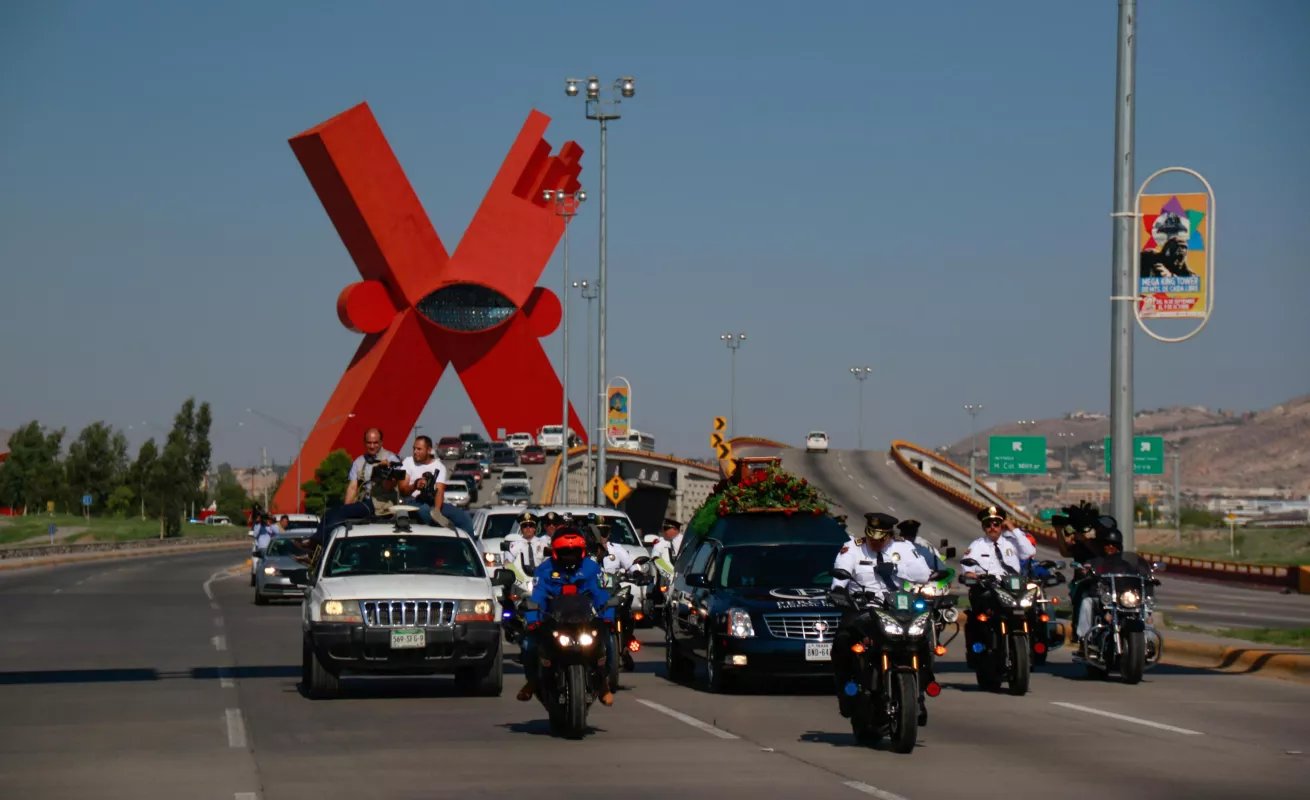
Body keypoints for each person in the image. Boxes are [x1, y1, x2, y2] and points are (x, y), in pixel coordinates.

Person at [830, 512, 934, 719]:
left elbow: (924, 574)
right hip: (864, 607)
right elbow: (840, 574)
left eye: (881, 539)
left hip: (898, 607)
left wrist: (897, 568)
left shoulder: (903, 548)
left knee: (924, 640)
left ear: (889, 535)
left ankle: (921, 691)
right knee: (842, 641)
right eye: (871, 538)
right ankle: (846, 691)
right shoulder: (853, 548)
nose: (875, 543)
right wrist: (839, 591)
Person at [517, 528, 616, 706]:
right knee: (528, 643)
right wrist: (533, 619)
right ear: (555, 551)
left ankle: (603, 683)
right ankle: (532, 680)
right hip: (554, 619)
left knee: (608, 641)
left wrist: (608, 615)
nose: (570, 555)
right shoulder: (544, 569)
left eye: (574, 551)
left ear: (583, 551)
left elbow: (600, 594)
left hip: (585, 620)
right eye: (565, 552)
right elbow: (537, 596)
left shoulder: (592, 568)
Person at [306, 428, 400, 549]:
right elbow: (352, 488)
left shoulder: (391, 459)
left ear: (381, 443)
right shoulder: (359, 462)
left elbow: (390, 486)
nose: (372, 446)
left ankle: (315, 543)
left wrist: (384, 470)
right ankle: (317, 548)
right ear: (364, 443)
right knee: (332, 514)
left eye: (375, 443)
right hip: (365, 502)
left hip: (382, 504)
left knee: (341, 513)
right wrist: (346, 509)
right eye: (369, 443)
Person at [961, 506, 1037, 654]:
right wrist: (971, 576)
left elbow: (1029, 552)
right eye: (988, 525)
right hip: (989, 589)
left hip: (1012, 588)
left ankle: (1032, 646)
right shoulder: (977, 545)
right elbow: (967, 566)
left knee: (1033, 611)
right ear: (983, 527)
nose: (992, 528)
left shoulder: (1012, 542)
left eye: (996, 524)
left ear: (1001, 525)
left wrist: (1013, 528)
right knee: (979, 617)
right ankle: (980, 648)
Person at [1073, 517, 1150, 649]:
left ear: (1119, 547)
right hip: (1103, 597)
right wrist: (1085, 571)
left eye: (1113, 545)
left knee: (1146, 607)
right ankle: (1084, 637)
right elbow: (1087, 568)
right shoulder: (1096, 561)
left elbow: (1137, 575)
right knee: (1087, 601)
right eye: (1107, 544)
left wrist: (1147, 577)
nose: (1110, 547)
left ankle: (1149, 640)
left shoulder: (1127, 565)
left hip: (1122, 598)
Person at [505, 512, 551, 582]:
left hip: (541, 578)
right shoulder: (514, 546)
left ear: (534, 529)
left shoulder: (543, 544)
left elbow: (549, 562)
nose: (528, 528)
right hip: (521, 580)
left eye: (531, 525)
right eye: (525, 526)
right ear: (521, 529)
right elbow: (508, 564)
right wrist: (520, 578)